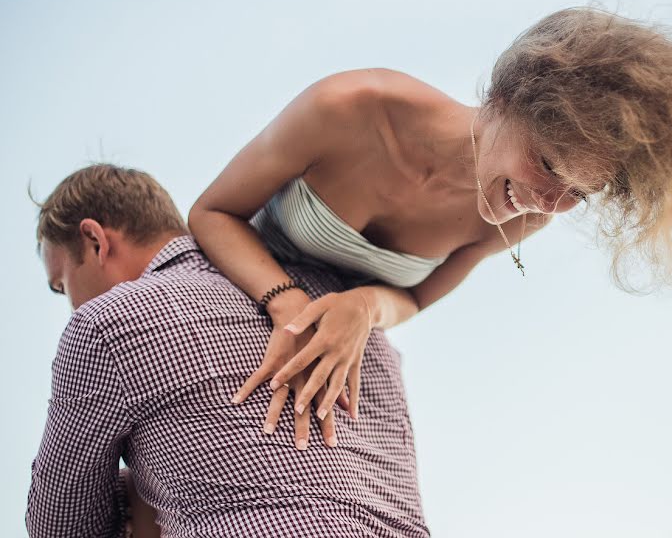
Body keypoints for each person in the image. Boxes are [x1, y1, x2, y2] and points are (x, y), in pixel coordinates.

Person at [189, 4, 672, 438]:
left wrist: (363, 307)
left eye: (579, 194)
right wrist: (288, 304)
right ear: (501, 100)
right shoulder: (347, 107)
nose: (549, 204)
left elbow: (411, 300)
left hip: (334, 357)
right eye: (546, 165)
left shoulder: (525, 219)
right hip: (227, 299)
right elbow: (212, 213)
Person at [27, 164, 430, 537]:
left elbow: (61, 524)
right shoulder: (346, 315)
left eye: (63, 284)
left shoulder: (106, 323)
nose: (72, 304)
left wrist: (131, 493)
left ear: (96, 240)